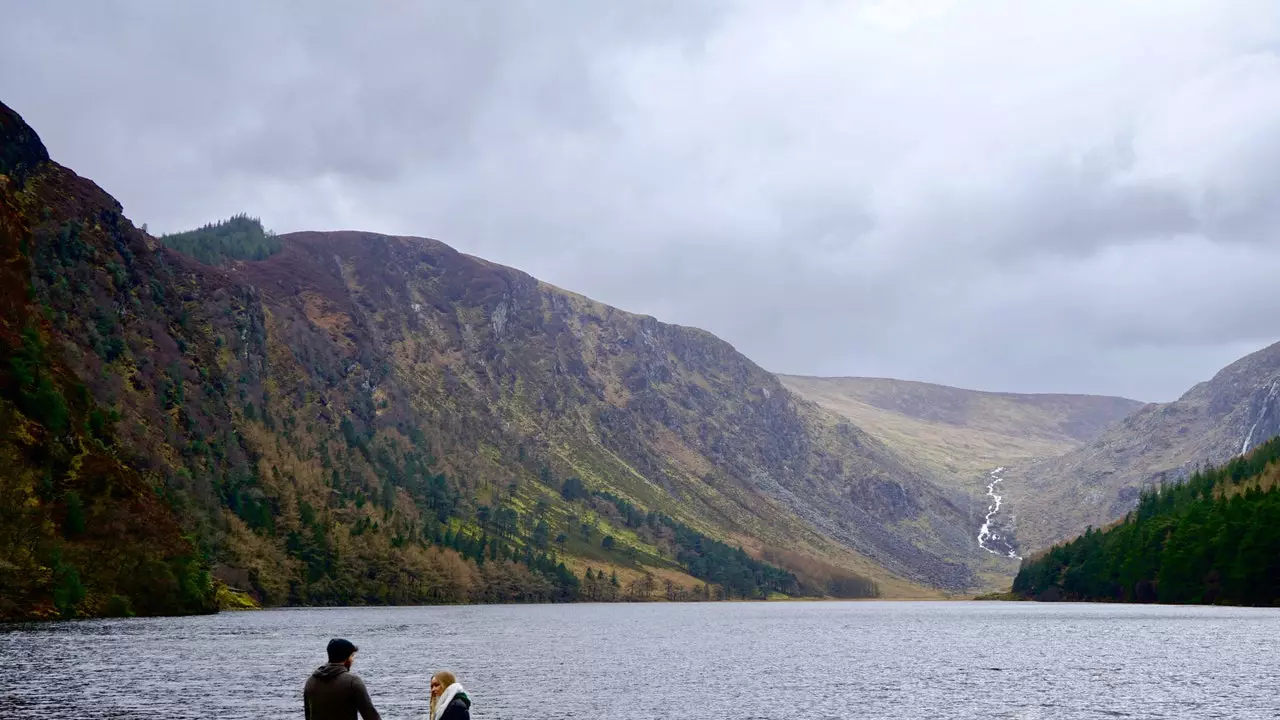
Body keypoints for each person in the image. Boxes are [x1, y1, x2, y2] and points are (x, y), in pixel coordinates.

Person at [303, 638, 382, 720]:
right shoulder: (353, 681)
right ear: (346, 658)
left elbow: (308, 715)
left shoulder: (310, 681)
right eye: (352, 656)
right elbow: (370, 715)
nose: (353, 660)